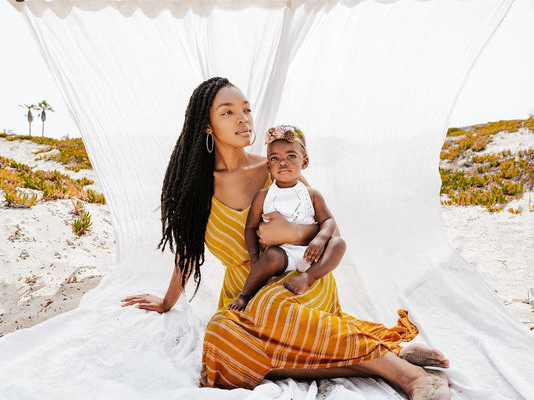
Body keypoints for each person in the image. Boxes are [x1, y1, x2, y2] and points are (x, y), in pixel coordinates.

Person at [121, 77, 451, 400]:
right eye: (228, 112)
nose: (243, 119)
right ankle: (382, 359)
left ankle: (412, 377)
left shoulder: (275, 166)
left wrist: (293, 232)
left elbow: (329, 228)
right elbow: (187, 252)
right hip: (246, 291)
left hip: (300, 279)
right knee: (223, 338)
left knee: (272, 305)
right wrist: (167, 302)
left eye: (246, 110)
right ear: (206, 127)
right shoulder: (195, 186)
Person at [228, 124, 346, 311]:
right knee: (271, 256)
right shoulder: (263, 196)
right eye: (275, 158)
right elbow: (250, 228)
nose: (283, 162)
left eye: (291, 156)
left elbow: (329, 221)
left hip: (311, 253)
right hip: (283, 254)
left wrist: (320, 239)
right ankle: (244, 296)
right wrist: (254, 257)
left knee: (338, 244)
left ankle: (308, 277)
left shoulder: (312, 194)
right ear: (268, 166)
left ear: (304, 162)